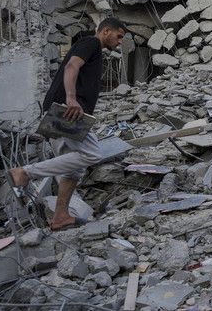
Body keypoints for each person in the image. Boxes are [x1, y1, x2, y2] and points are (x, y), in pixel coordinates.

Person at [8, 17, 127, 230]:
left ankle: (60, 217)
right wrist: (71, 99)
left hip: (65, 111)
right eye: (119, 36)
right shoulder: (91, 43)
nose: (119, 42)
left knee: (74, 169)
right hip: (68, 111)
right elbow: (72, 66)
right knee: (92, 154)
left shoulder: (94, 50)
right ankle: (24, 173)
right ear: (106, 31)